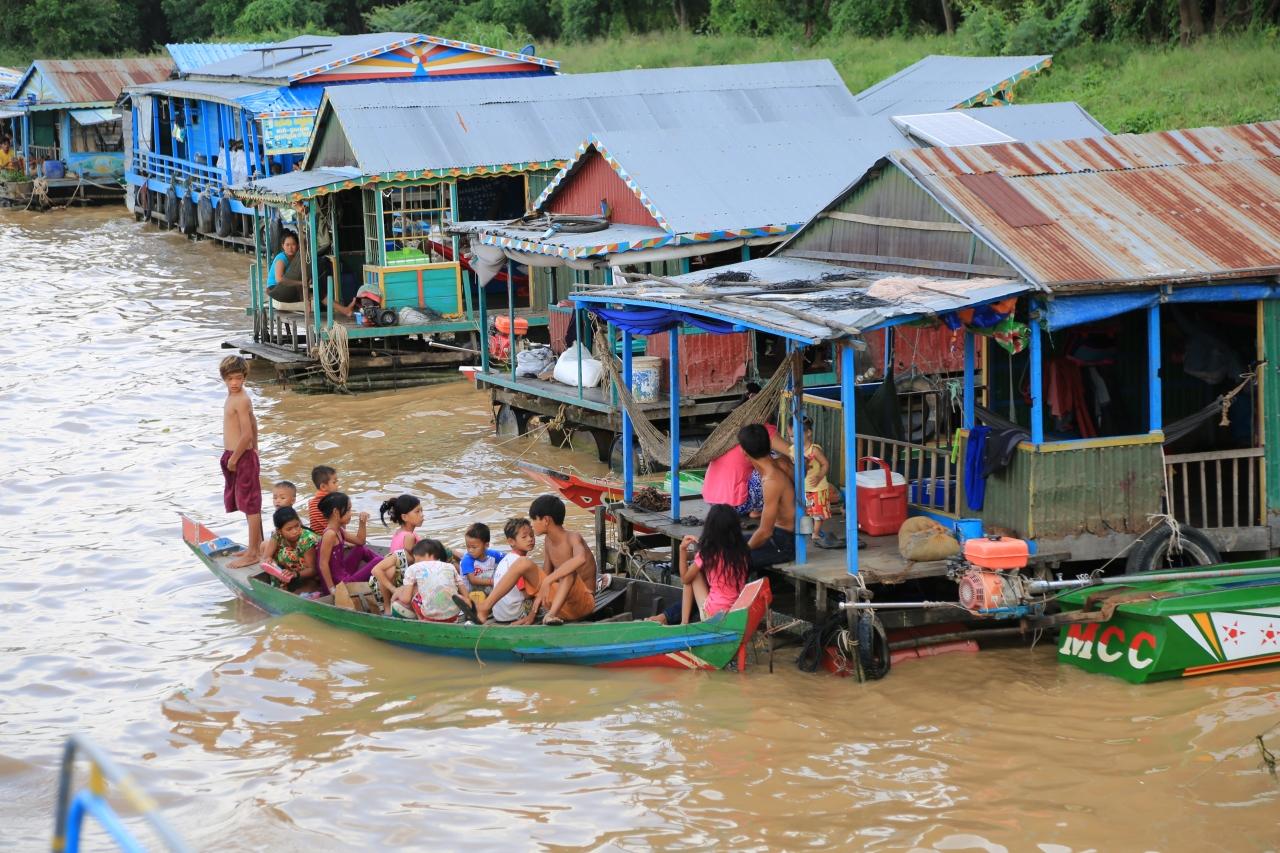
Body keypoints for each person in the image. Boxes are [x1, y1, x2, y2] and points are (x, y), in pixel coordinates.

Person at [649, 504, 750, 625]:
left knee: (692, 576)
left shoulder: (708, 553)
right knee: (698, 575)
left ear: (710, 528)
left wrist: (682, 549)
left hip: (713, 615)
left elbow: (685, 579)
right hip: (736, 612)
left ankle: (684, 623)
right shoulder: (742, 551)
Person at [702, 411, 792, 517]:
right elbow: (794, 452)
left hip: (714, 502)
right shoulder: (761, 430)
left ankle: (757, 510)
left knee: (768, 458)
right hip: (735, 504)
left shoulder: (730, 428)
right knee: (782, 464)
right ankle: (783, 507)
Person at [527, 495, 597, 626]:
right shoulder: (548, 541)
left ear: (546, 520)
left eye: (534, 519)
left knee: (568, 570)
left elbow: (580, 559)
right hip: (560, 603)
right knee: (523, 564)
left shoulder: (573, 537)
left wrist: (548, 580)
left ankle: (550, 615)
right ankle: (486, 609)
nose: (531, 524)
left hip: (582, 605)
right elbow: (545, 575)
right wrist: (533, 613)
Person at [219, 356, 262, 568]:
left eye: (238, 378)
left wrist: (236, 458)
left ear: (244, 377)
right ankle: (255, 546)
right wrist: (256, 448)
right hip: (238, 454)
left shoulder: (242, 399)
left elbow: (246, 434)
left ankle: (254, 553)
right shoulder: (233, 396)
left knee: (251, 505)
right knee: (245, 503)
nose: (234, 383)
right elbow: (253, 422)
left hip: (241, 456)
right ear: (224, 379)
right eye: (230, 379)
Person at [740, 424, 796, 568]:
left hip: (783, 543)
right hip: (779, 535)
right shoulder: (782, 462)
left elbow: (765, 532)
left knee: (729, 561)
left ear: (744, 452)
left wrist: (741, 553)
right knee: (720, 544)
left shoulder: (771, 480)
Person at [476, 518, 539, 624]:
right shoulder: (519, 563)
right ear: (511, 541)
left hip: (499, 615)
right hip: (514, 614)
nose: (530, 539)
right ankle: (526, 618)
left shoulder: (506, 559)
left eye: (532, 535)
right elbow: (526, 595)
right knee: (539, 598)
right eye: (524, 537)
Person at [316, 492, 380, 593]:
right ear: (336, 512)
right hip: (340, 584)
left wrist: (362, 523)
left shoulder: (339, 530)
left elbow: (360, 541)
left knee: (360, 549)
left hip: (343, 573)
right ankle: (386, 566)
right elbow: (323, 564)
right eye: (348, 510)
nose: (351, 513)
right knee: (379, 561)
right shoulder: (330, 534)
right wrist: (332, 589)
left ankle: (386, 566)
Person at [391, 539, 468, 622]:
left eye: (417, 560)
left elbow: (406, 599)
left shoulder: (413, 568)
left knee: (409, 589)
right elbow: (464, 591)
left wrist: (398, 593)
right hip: (453, 615)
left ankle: (422, 620)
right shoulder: (450, 566)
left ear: (429, 555)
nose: (415, 562)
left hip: (430, 616)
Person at [788, 416, 832, 545]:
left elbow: (825, 464)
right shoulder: (792, 450)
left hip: (817, 487)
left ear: (808, 433)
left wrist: (819, 477)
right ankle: (808, 531)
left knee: (818, 514)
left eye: (798, 435)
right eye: (791, 436)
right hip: (803, 488)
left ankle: (815, 534)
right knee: (806, 511)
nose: (794, 439)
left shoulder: (814, 450)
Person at [262, 506, 321, 595]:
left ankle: (307, 586)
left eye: (297, 526)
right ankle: (283, 583)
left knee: (287, 553)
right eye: (289, 529)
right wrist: (269, 560)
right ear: (279, 531)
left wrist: (294, 574)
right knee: (265, 547)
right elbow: (266, 557)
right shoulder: (277, 534)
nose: (295, 531)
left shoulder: (306, 539)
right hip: (292, 569)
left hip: (312, 574)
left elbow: (313, 570)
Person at [258, 481, 301, 560]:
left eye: (282, 498)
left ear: (293, 501)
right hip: (284, 545)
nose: (277, 501)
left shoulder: (292, 516)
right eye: (275, 498)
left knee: (271, 539)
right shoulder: (278, 514)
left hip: (293, 550)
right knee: (263, 544)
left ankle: (265, 560)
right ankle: (265, 559)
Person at [456, 522, 502, 591]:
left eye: (474, 547)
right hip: (471, 592)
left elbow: (509, 559)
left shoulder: (493, 554)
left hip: (486, 587)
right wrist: (493, 582)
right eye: (468, 546)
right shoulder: (467, 560)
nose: (470, 550)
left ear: (486, 545)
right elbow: (473, 580)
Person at [266, 232, 305, 303]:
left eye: (293, 244)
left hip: (285, 287)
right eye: (287, 245)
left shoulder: (296, 258)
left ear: (298, 245)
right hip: (274, 288)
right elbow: (279, 279)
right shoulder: (281, 258)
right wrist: (300, 283)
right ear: (283, 246)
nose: (290, 248)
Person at [308, 466, 338, 534]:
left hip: (315, 537)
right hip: (329, 536)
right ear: (323, 487)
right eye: (334, 482)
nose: (337, 485)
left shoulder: (311, 502)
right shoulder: (332, 502)